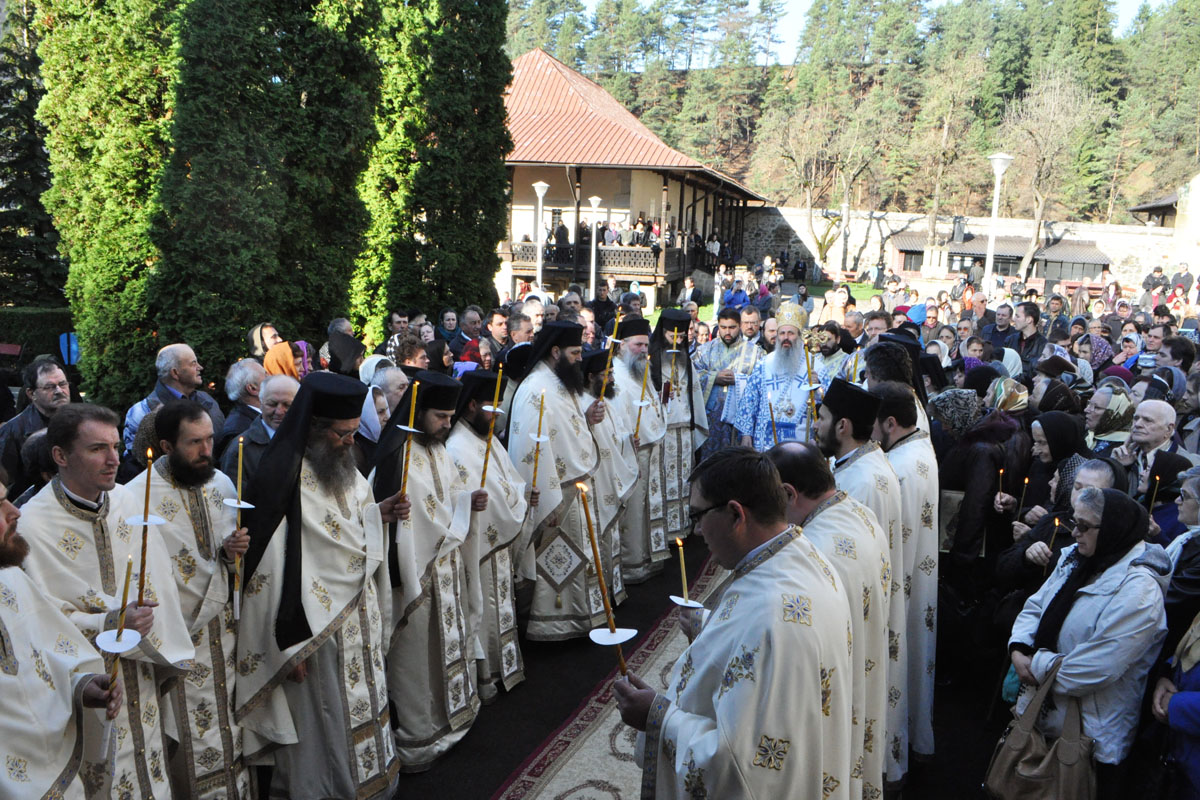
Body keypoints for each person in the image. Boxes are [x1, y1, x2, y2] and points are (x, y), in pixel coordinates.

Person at [612, 448, 853, 799]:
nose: (697, 532)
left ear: (736, 514)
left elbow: (738, 766)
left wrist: (656, 715)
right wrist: (710, 625)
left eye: (698, 515)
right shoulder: (802, 556)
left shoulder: (771, 617)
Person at [237, 372, 399, 798]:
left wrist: (377, 513)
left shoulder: (345, 466)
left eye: (352, 433)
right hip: (312, 631)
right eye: (341, 434)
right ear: (314, 429)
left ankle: (372, 782)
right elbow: (267, 571)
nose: (350, 443)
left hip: (357, 617)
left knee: (363, 702)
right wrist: (286, 645)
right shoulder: (281, 476)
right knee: (325, 720)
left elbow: (356, 523)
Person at [20, 404, 195, 799]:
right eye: (98, 448)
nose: (114, 460)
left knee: (150, 769)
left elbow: (158, 581)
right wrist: (110, 623)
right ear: (61, 456)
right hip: (86, 688)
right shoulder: (32, 525)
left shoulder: (129, 504)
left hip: (142, 672)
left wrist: (146, 620)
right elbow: (37, 621)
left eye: (116, 447)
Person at [124, 401, 251, 798]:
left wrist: (233, 556)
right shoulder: (135, 498)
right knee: (191, 738)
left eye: (210, 438)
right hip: (178, 644)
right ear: (166, 445)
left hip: (225, 639)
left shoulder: (223, 486)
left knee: (231, 728)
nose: (207, 450)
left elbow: (231, 565)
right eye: (194, 442)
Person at [1009, 488, 1170, 796]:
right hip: (1046, 714)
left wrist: (1034, 665)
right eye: (1074, 522)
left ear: (1112, 529)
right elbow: (1036, 606)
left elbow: (1098, 667)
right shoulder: (1077, 557)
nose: (1075, 532)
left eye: (1085, 526)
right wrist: (1019, 648)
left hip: (1091, 735)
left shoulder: (1140, 592)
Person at [372, 370, 489, 769]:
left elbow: (449, 497)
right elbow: (400, 521)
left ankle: (454, 718)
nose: (446, 424)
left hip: (447, 569)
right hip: (415, 579)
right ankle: (422, 737)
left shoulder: (437, 448)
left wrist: (467, 502)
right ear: (420, 411)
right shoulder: (396, 455)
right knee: (418, 659)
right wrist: (457, 514)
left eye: (450, 416)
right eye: (440, 416)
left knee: (448, 647)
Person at [769, 442, 891, 800]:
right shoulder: (858, 512)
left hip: (832, 694)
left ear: (789, 494)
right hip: (861, 670)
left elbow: (794, 642)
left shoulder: (816, 551)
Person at [0, 480, 124, 797]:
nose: (14, 511)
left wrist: (80, 687)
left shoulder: (11, 578)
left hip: (58, 779)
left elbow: (39, 661)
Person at [817, 377, 909, 783]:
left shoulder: (860, 483)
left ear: (842, 426)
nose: (815, 425)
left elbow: (845, 565)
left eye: (821, 417)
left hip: (858, 616)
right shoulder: (867, 464)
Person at [505, 322, 607, 640]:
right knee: (555, 561)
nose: (579, 359)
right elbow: (530, 449)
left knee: (575, 557)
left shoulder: (560, 381)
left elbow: (565, 430)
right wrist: (545, 498)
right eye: (575, 353)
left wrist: (587, 420)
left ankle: (577, 617)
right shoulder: (535, 389)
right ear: (555, 352)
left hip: (572, 489)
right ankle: (551, 623)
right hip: (555, 496)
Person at [445, 370, 534, 699]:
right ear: (470, 405)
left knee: (500, 606)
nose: (497, 416)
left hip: (497, 545)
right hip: (479, 548)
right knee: (483, 609)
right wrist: (515, 503)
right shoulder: (457, 448)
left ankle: (504, 667)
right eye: (491, 409)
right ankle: (487, 675)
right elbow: (477, 499)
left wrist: (524, 496)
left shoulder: (487, 438)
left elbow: (508, 480)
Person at [872, 381, 940, 765]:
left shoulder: (896, 469)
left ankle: (890, 762)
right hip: (914, 577)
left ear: (891, 423)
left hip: (898, 584)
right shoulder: (919, 448)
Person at [611, 318, 670, 583]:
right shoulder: (615, 375)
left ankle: (647, 557)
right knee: (633, 511)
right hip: (628, 455)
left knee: (646, 507)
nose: (644, 350)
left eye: (646, 344)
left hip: (648, 450)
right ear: (622, 345)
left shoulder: (639, 369)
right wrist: (624, 440)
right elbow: (611, 419)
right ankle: (631, 565)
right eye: (638, 344)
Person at [649, 309, 709, 538]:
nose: (676, 342)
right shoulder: (651, 361)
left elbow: (694, 399)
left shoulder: (687, 362)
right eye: (671, 336)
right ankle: (661, 532)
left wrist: (695, 428)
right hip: (660, 433)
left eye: (681, 338)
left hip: (683, 433)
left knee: (683, 481)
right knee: (661, 483)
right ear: (662, 332)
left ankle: (680, 529)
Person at [736, 303, 817, 450]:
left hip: (801, 441)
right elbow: (749, 399)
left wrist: (819, 389)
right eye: (782, 333)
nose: (786, 338)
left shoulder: (815, 366)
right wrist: (746, 433)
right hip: (764, 441)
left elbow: (826, 405)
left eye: (791, 333)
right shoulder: (764, 364)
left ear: (799, 336)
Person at [124, 343, 224, 455]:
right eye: (193, 363)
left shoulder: (208, 401)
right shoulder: (141, 412)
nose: (200, 367)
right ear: (175, 373)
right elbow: (138, 461)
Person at [693, 307, 763, 460]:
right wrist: (714, 377)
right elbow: (692, 375)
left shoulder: (755, 352)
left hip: (739, 421)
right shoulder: (705, 350)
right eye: (723, 327)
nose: (727, 332)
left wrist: (738, 380)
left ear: (740, 326)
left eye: (732, 327)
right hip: (710, 418)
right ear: (718, 326)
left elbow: (760, 383)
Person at [0, 356, 70, 497]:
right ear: (31, 394)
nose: (59, 391)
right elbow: (5, 485)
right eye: (49, 387)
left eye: (62, 384)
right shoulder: (12, 432)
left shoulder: (84, 422)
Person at [219, 374, 298, 487]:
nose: (279, 411)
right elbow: (237, 499)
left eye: (287, 405)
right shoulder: (241, 450)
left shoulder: (309, 441)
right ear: (260, 403)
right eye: (272, 404)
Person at [217, 358, 267, 457]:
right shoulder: (237, 430)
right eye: (266, 375)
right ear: (252, 389)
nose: (271, 377)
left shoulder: (262, 416)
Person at [1011, 302, 1048, 383]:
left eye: (1017, 316)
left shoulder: (1043, 345)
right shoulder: (1010, 340)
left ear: (1029, 320)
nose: (1013, 319)